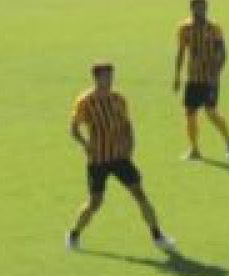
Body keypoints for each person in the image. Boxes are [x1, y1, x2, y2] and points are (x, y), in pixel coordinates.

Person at [66, 61, 176, 253]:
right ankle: (74, 235)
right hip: (98, 160)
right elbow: (74, 128)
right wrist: (85, 144)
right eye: (106, 76)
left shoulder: (118, 99)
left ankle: (158, 236)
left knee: (139, 194)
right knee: (95, 202)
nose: (110, 80)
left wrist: (130, 143)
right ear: (96, 78)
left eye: (111, 76)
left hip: (120, 157)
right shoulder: (86, 101)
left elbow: (126, 123)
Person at [173, 0, 229, 161]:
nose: (202, 10)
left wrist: (217, 73)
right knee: (190, 113)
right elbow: (181, 52)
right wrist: (177, 75)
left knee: (211, 112)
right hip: (193, 78)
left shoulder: (214, 28)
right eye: (198, 7)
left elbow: (222, 52)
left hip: (210, 78)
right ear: (192, 8)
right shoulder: (184, 28)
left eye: (204, 7)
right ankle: (194, 149)